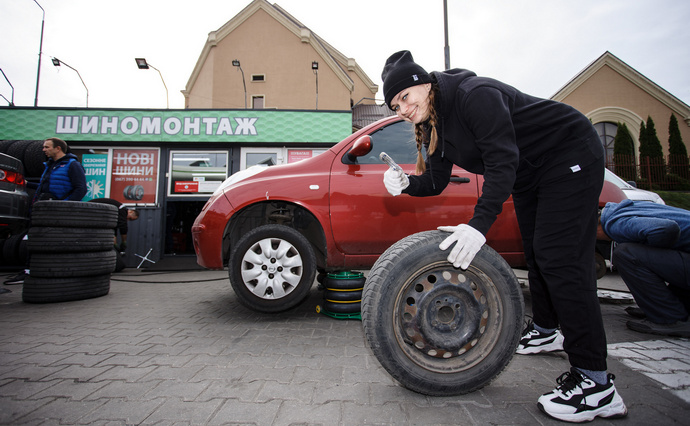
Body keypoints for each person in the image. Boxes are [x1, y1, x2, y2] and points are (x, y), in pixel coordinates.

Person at [380, 50, 626, 422]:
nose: (402, 108)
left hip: (569, 152)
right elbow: (436, 180)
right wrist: (406, 184)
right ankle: (546, 330)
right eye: (395, 104)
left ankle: (596, 384)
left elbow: (502, 160)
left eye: (405, 97)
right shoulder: (437, 124)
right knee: (537, 253)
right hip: (531, 174)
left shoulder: (472, 95)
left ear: (424, 84)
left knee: (561, 260)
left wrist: (479, 227)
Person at [599, 199, 690, 337]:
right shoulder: (623, 209)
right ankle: (656, 306)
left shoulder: (615, 224)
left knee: (626, 254)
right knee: (645, 256)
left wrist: (653, 250)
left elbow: (667, 228)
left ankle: (670, 318)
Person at [4, 137, 87, 286]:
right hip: (41, 209)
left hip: (57, 211)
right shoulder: (50, 166)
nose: (43, 150)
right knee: (34, 240)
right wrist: (28, 184)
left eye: (47, 147)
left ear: (58, 148)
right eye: (43, 147)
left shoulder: (72, 165)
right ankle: (28, 272)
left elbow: (81, 189)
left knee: (53, 242)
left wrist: (64, 205)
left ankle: (57, 273)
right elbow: (45, 187)